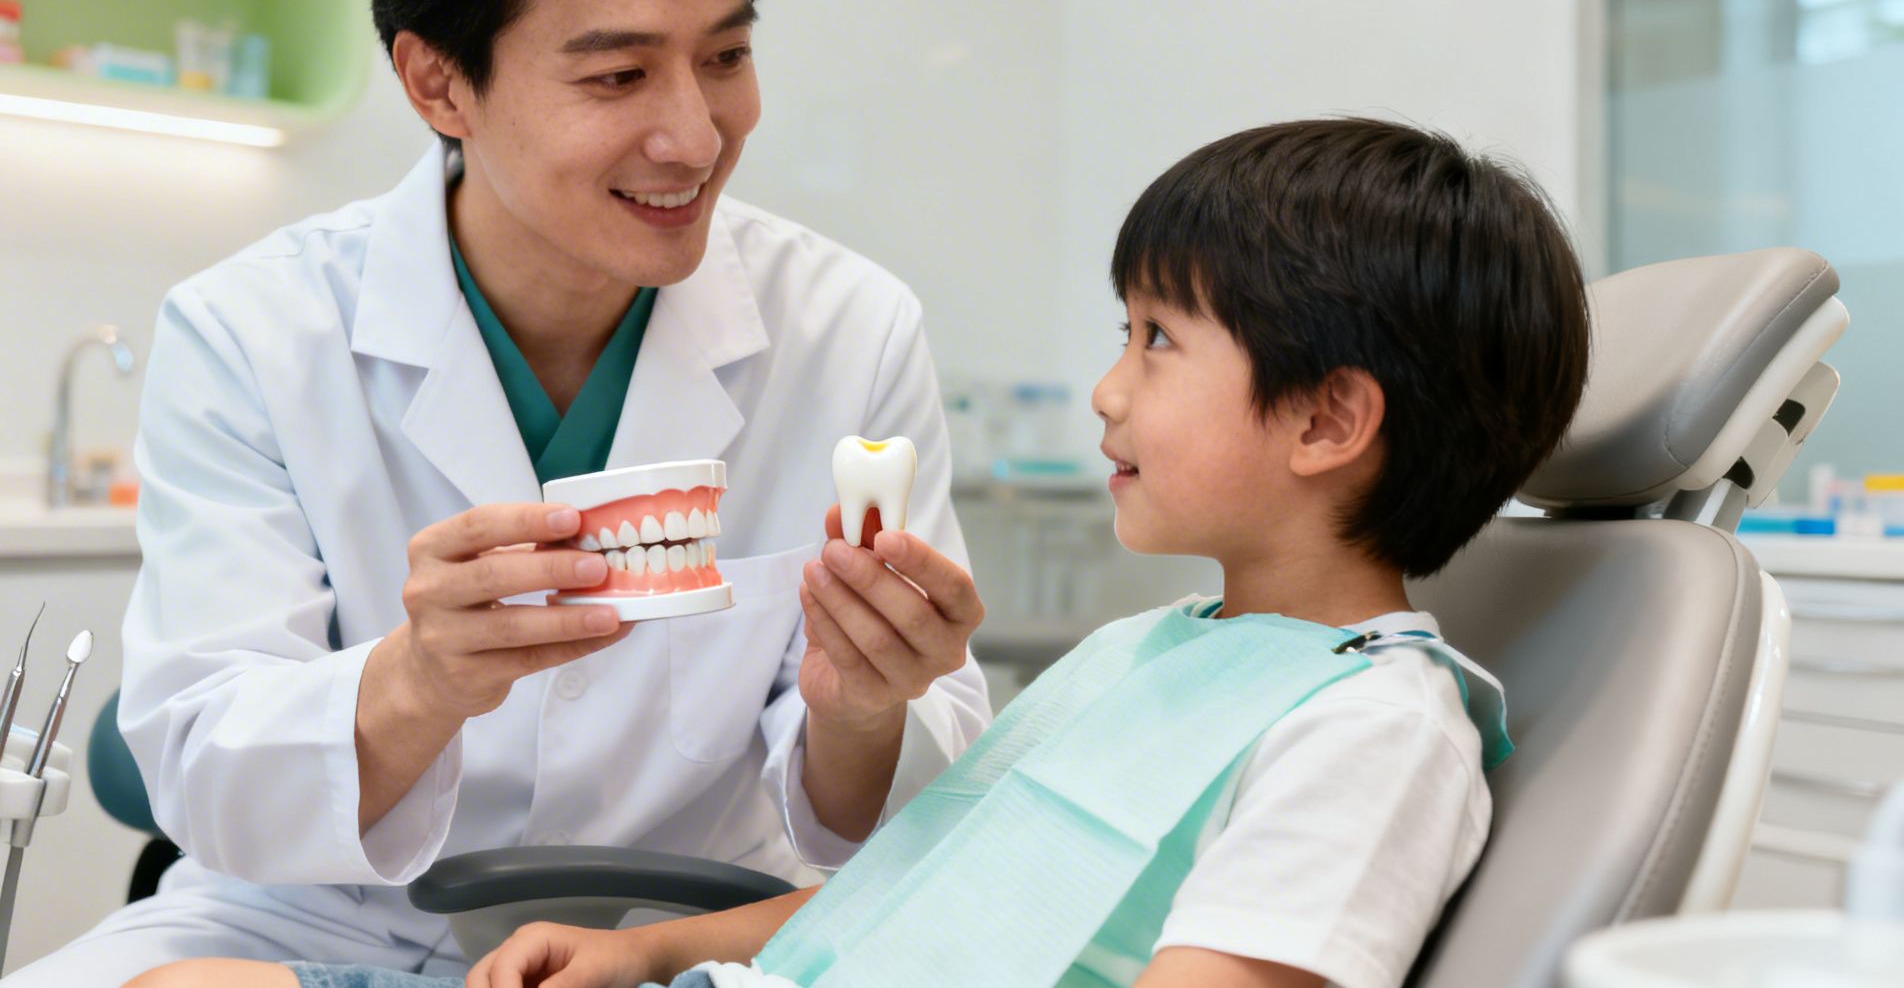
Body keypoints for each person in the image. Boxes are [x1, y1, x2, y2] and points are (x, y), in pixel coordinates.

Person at [131, 116, 1590, 988]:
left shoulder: (1374, 728)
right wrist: (650, 949)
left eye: (1157, 339)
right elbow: (942, 877)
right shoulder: (1150, 652)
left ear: (1328, 417)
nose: (1107, 388)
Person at [0, 0, 994, 984]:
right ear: (437, 83)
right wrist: (418, 681)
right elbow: (202, 766)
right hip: (316, 931)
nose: (695, 136)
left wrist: (863, 707)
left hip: (690, 932)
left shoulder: (850, 328)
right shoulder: (252, 331)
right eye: (617, 76)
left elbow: (915, 806)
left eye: (723, 56)